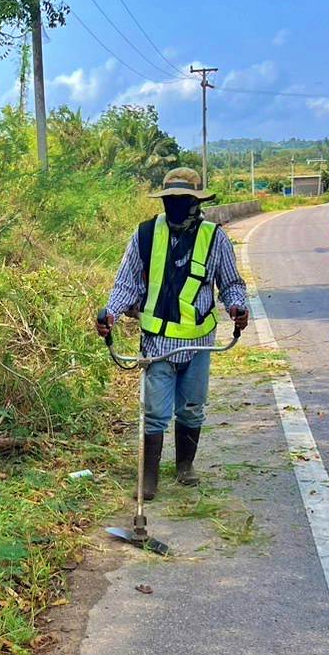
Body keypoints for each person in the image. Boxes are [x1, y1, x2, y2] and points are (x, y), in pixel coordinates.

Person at [96, 167, 249, 499]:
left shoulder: (214, 238)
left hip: (199, 343)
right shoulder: (145, 236)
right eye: (171, 199)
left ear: (196, 203)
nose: (176, 205)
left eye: (183, 200)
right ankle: (148, 478)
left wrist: (237, 307)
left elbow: (232, 284)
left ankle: (185, 466)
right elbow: (126, 284)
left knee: (192, 406)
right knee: (154, 412)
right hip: (157, 343)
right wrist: (110, 313)